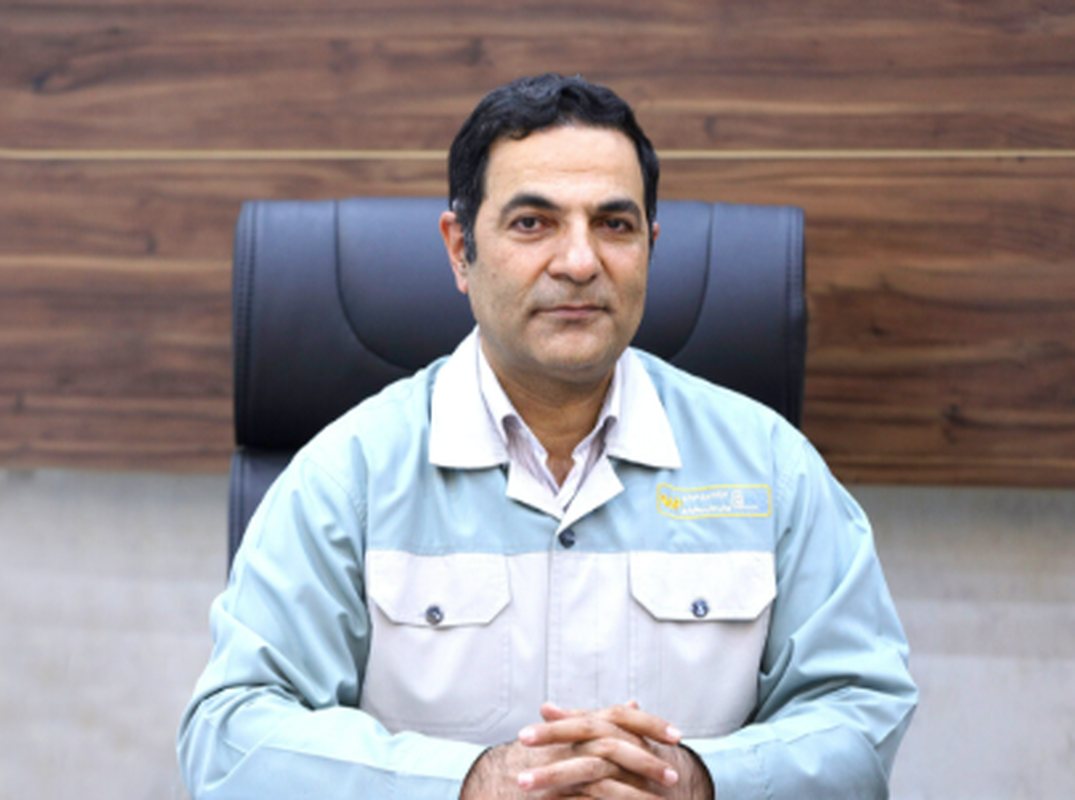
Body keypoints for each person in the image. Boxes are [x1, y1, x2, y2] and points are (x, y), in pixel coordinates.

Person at [178, 74, 917, 799]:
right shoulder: (350, 476)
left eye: (615, 225)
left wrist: (702, 781)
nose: (579, 262)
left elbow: (859, 712)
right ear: (460, 250)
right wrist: (466, 786)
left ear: (651, 247)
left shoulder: (771, 466)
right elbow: (230, 735)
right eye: (533, 223)